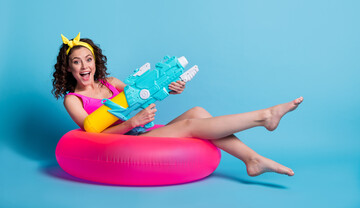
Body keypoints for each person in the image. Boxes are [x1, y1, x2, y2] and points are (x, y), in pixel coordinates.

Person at [52, 33, 303, 177]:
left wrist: (170, 89)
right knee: (193, 125)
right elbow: (94, 135)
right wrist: (131, 122)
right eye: (76, 62)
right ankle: (264, 116)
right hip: (125, 142)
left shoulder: (112, 83)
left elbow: (141, 96)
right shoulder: (73, 100)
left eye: (88, 59)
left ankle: (252, 160)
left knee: (199, 112)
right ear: (68, 67)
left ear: (96, 61)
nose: (85, 67)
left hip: (142, 131)